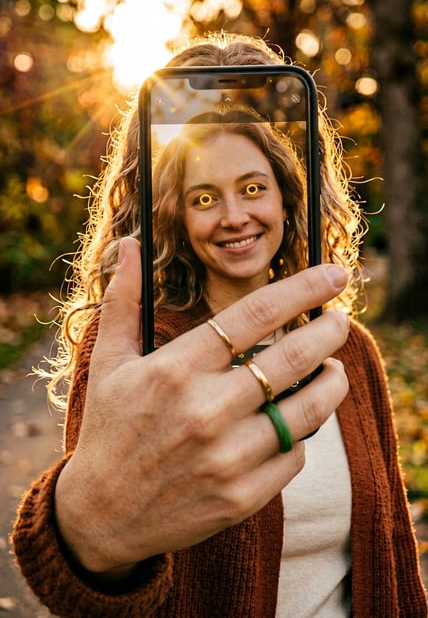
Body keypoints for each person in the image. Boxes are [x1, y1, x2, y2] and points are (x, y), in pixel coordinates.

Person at [11, 33, 426, 617]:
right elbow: (105, 581)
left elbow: (395, 563)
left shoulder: (348, 349)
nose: (235, 217)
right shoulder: (136, 359)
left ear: (287, 198)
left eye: (254, 189)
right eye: (204, 198)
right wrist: (84, 537)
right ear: (175, 217)